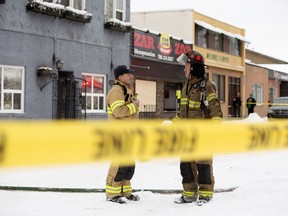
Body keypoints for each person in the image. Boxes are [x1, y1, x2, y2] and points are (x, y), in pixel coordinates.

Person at [174, 51, 223, 205]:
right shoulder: (186, 86)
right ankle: (189, 194)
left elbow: (216, 112)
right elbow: (182, 112)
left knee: (203, 166)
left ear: (194, 67)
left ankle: (205, 195)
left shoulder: (208, 86)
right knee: (186, 166)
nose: (184, 69)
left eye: (186, 66)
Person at [105, 65, 140, 204]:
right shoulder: (116, 91)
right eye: (127, 74)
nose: (130, 76)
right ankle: (112, 194)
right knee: (118, 164)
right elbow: (118, 111)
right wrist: (135, 105)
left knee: (128, 164)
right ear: (120, 77)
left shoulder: (126, 90)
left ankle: (125, 191)